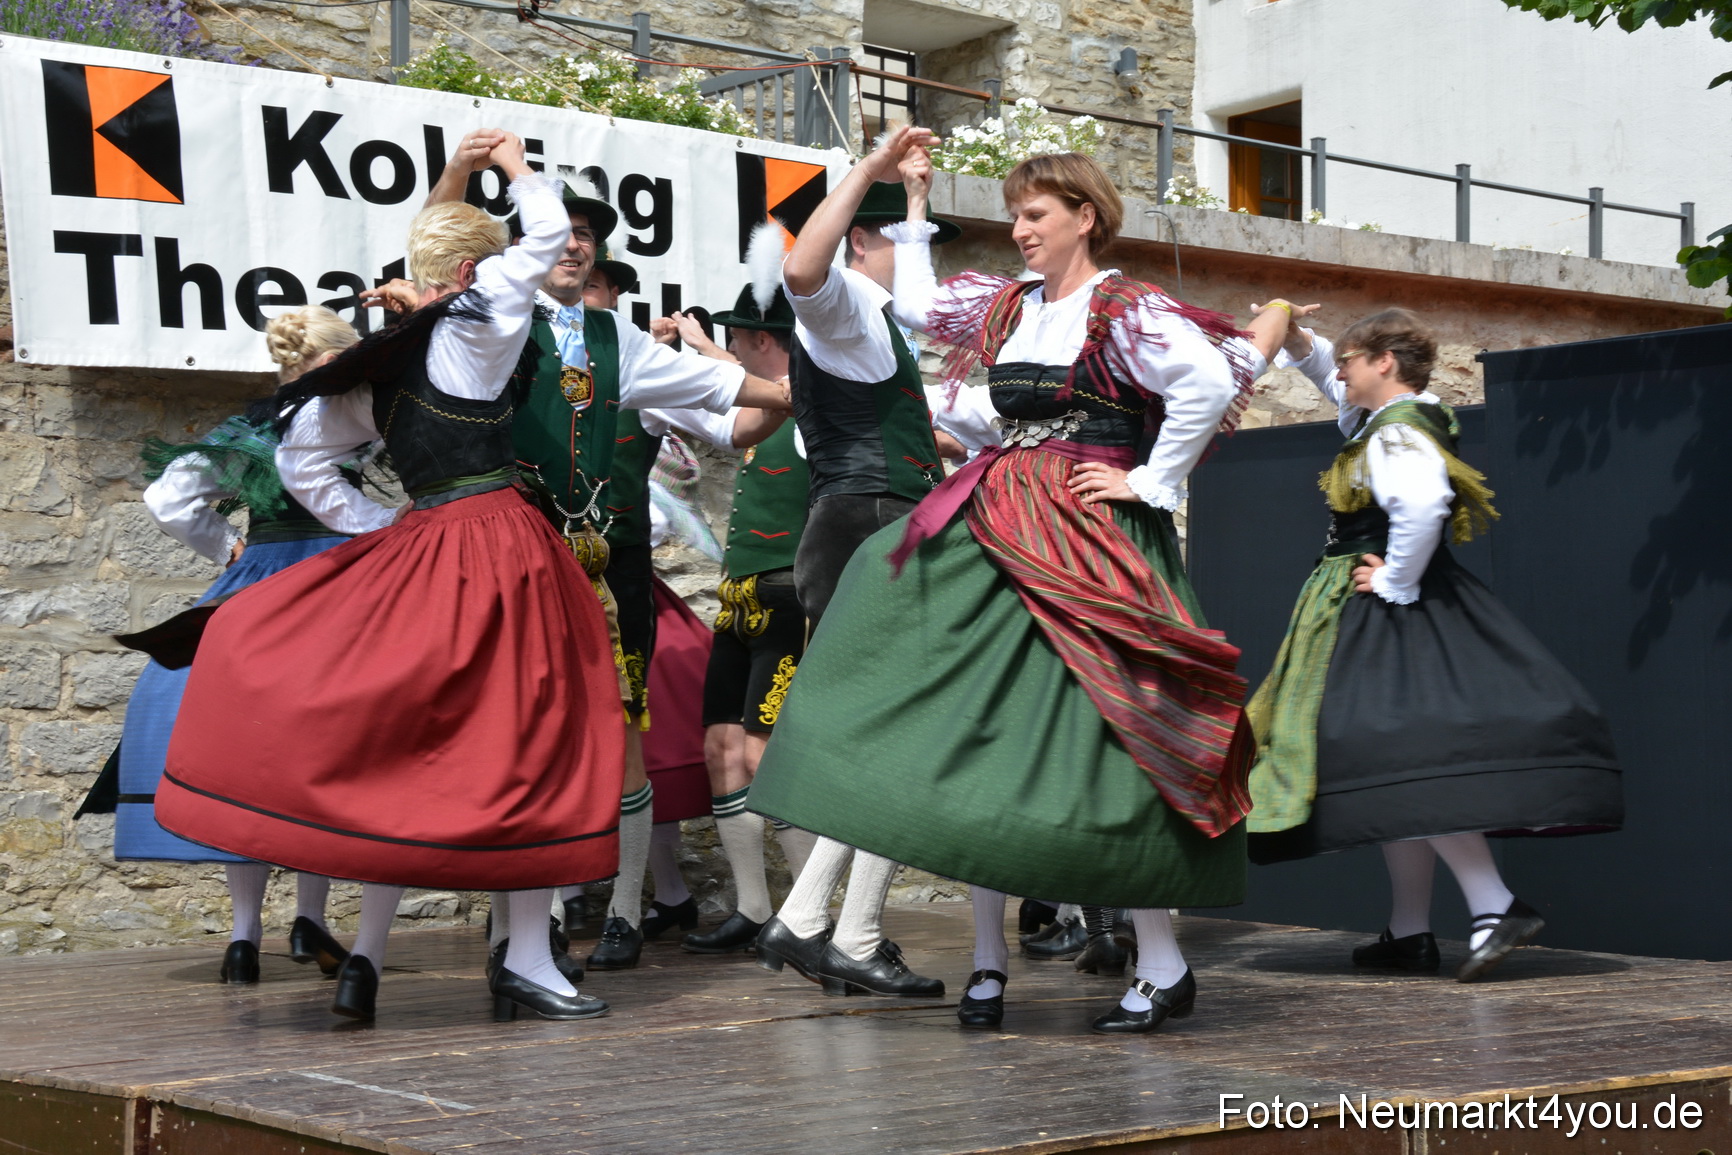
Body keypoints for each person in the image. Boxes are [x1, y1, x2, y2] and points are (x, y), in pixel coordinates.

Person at [747, 136, 1290, 1032]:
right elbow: (918, 304)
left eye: (1035, 213)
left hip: (1090, 535)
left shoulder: (1126, 309)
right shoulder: (1012, 307)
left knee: (1115, 727)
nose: (1020, 229)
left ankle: (1160, 960)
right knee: (930, 660)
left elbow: (1203, 382)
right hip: (1004, 520)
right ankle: (982, 947)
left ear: (1086, 216)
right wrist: (913, 203)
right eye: (1014, 215)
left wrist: (1151, 482)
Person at [157, 133, 625, 1024]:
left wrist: (385, 526)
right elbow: (541, 238)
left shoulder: (384, 366)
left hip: (435, 543)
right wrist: (517, 169)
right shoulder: (479, 324)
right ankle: (527, 956)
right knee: (535, 736)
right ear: (469, 270)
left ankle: (499, 952)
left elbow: (301, 458)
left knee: (466, 737)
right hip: (502, 544)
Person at [411, 141, 792, 975]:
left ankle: (621, 912)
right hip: (516, 558)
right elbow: (434, 244)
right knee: (521, 736)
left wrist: (791, 394)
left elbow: (720, 401)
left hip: (609, 567)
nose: (574, 243)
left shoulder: (616, 336)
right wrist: (461, 174)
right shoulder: (488, 314)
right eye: (562, 230)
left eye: (587, 234)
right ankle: (530, 921)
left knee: (621, 731)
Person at [1244, 306, 1623, 982]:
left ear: (1384, 362)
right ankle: (1410, 930)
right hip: (1393, 598)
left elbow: (1422, 507)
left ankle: (1494, 903)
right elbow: (1337, 386)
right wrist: (1301, 342)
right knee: (1392, 761)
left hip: (1388, 604)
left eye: (1350, 362)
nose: (1341, 375)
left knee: (1398, 754)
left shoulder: (1397, 433)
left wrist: (1394, 579)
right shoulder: (1399, 416)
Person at [745, 134, 972, 1001]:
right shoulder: (842, 308)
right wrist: (870, 170)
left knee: (890, 732)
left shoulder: (876, 324)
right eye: (905, 240)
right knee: (903, 732)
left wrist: (911, 199)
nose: (921, 256)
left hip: (867, 524)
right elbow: (803, 269)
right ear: (862, 242)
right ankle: (844, 929)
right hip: (868, 527)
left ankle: (813, 922)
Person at [106, 306, 359, 984]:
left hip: (262, 587)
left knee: (247, 760)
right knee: (319, 759)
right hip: (337, 585)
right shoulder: (357, 422)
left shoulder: (253, 427)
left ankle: (244, 938)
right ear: (336, 360)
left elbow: (169, 497)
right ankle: (308, 920)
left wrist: (230, 547)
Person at [640, 283, 820, 955]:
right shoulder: (760, 406)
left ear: (763, 341)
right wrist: (703, 350)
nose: (733, 352)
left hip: (785, 597)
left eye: (739, 340)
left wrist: (703, 350)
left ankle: (808, 916)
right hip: (738, 600)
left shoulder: (812, 409)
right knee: (719, 748)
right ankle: (752, 906)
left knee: (760, 754)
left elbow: (784, 387)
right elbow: (738, 387)